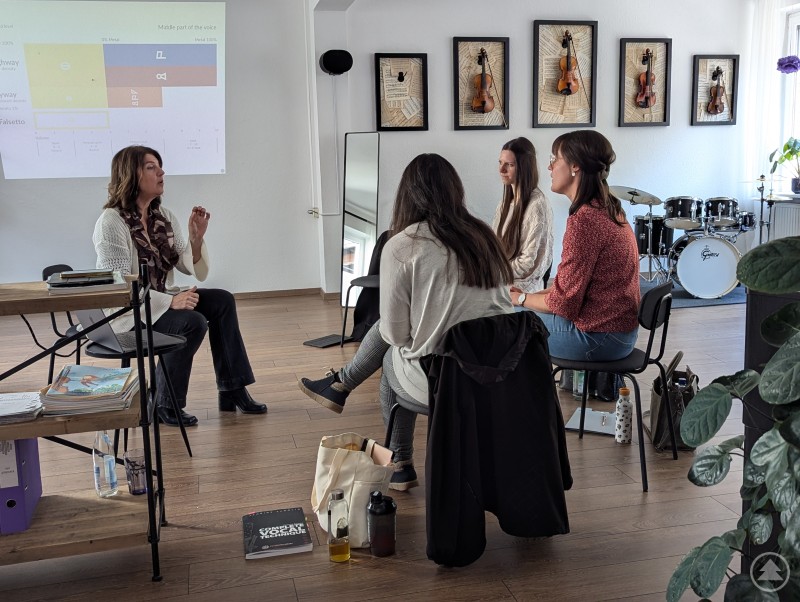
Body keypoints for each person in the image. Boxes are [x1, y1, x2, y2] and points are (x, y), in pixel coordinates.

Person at [299, 153, 513, 490]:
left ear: (407, 194)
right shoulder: (484, 235)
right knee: (399, 346)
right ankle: (340, 386)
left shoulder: (402, 245)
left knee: (390, 354)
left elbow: (396, 333)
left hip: (447, 382)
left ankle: (397, 459)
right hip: (502, 375)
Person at [93, 145, 266, 427]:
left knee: (222, 300)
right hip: (128, 313)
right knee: (191, 322)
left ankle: (233, 388)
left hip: (158, 300)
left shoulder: (165, 217)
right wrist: (169, 302)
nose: (161, 172)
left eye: (160, 166)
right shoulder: (111, 222)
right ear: (130, 175)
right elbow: (118, 286)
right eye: (151, 167)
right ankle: (165, 402)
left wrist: (196, 238)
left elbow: (186, 264)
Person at [514, 130, 640, 361]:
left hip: (599, 339)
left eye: (555, 159)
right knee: (519, 310)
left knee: (507, 318)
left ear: (575, 166)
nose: (550, 168)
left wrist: (520, 299)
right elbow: (571, 288)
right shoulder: (607, 208)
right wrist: (529, 295)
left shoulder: (585, 220)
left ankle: (521, 396)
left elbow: (564, 305)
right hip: (618, 334)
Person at [493, 137, 554, 294]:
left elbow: (527, 264)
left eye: (509, 165)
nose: (501, 170)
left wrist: (492, 273)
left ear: (524, 168)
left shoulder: (537, 206)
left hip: (523, 288)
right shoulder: (505, 203)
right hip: (503, 279)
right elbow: (495, 247)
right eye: (500, 162)